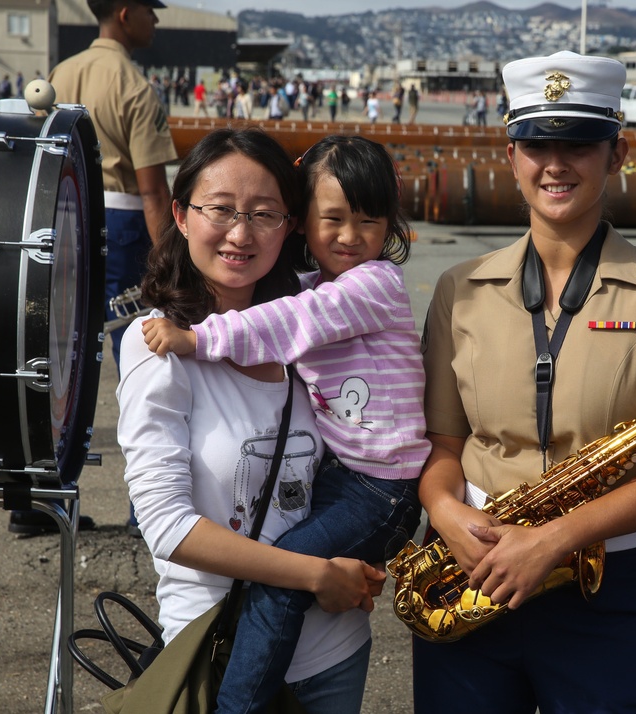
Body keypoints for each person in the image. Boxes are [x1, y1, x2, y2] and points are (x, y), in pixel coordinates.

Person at [411, 50, 636, 713]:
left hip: (601, 585)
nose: (554, 163)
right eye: (536, 142)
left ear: (617, 153)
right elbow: (443, 448)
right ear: (512, 154)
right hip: (467, 572)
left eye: (579, 143)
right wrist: (447, 515)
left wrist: (553, 541)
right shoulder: (459, 289)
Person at [142, 133, 426, 712]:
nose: (350, 236)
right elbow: (166, 524)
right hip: (350, 483)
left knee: (280, 583)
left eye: (369, 221)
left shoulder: (370, 285)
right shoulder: (314, 289)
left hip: (378, 489)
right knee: (292, 572)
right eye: (333, 219)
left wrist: (197, 339)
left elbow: (290, 320)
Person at [36, 0, 177, 538]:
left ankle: (36, 497)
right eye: (150, 9)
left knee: (50, 356)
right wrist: (170, 264)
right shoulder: (135, 86)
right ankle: (149, 510)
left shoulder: (61, 72)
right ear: (125, 12)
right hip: (119, 225)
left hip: (59, 219)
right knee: (140, 361)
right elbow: (153, 189)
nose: (156, 19)